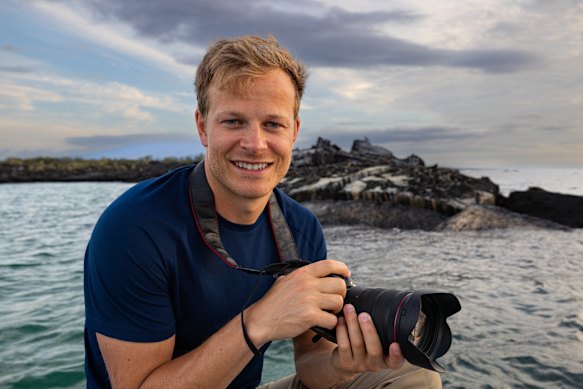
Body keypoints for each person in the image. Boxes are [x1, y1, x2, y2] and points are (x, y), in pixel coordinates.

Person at [84, 35, 441, 388]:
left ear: (294, 132)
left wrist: (341, 363)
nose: (255, 144)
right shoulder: (135, 227)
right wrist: (259, 322)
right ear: (202, 127)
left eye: (273, 124)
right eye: (233, 122)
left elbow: (311, 364)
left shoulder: (300, 229)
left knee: (414, 374)